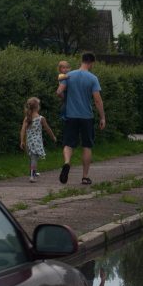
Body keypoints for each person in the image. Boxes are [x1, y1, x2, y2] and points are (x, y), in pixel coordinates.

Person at [57, 51, 106, 185]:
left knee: (68, 143)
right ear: (91, 63)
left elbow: (59, 92)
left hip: (70, 116)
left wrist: (65, 98)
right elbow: (97, 101)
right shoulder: (92, 78)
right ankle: (85, 177)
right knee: (87, 146)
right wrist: (102, 117)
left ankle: (67, 163)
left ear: (82, 61)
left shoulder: (69, 75)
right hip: (86, 117)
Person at [19, 97, 57, 182]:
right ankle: (32, 176)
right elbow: (48, 129)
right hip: (37, 142)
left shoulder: (27, 118)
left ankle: (34, 172)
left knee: (32, 158)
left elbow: (22, 130)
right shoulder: (41, 118)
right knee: (34, 159)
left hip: (29, 142)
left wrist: (22, 141)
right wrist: (53, 137)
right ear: (37, 107)